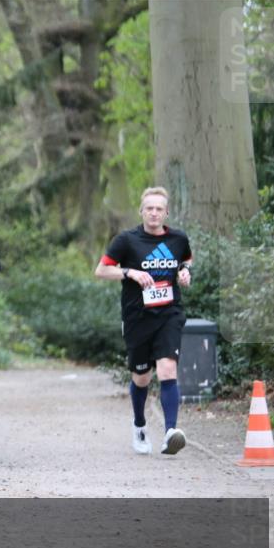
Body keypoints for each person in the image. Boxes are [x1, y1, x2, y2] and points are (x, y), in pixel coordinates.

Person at [95, 187, 192, 456]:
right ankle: (139, 425)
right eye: (149, 208)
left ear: (166, 213)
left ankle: (170, 432)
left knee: (167, 370)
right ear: (141, 211)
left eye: (159, 209)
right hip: (137, 317)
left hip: (169, 314)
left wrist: (185, 274)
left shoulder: (178, 239)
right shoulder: (127, 240)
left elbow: (186, 262)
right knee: (141, 377)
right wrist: (130, 273)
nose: (154, 213)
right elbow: (101, 270)